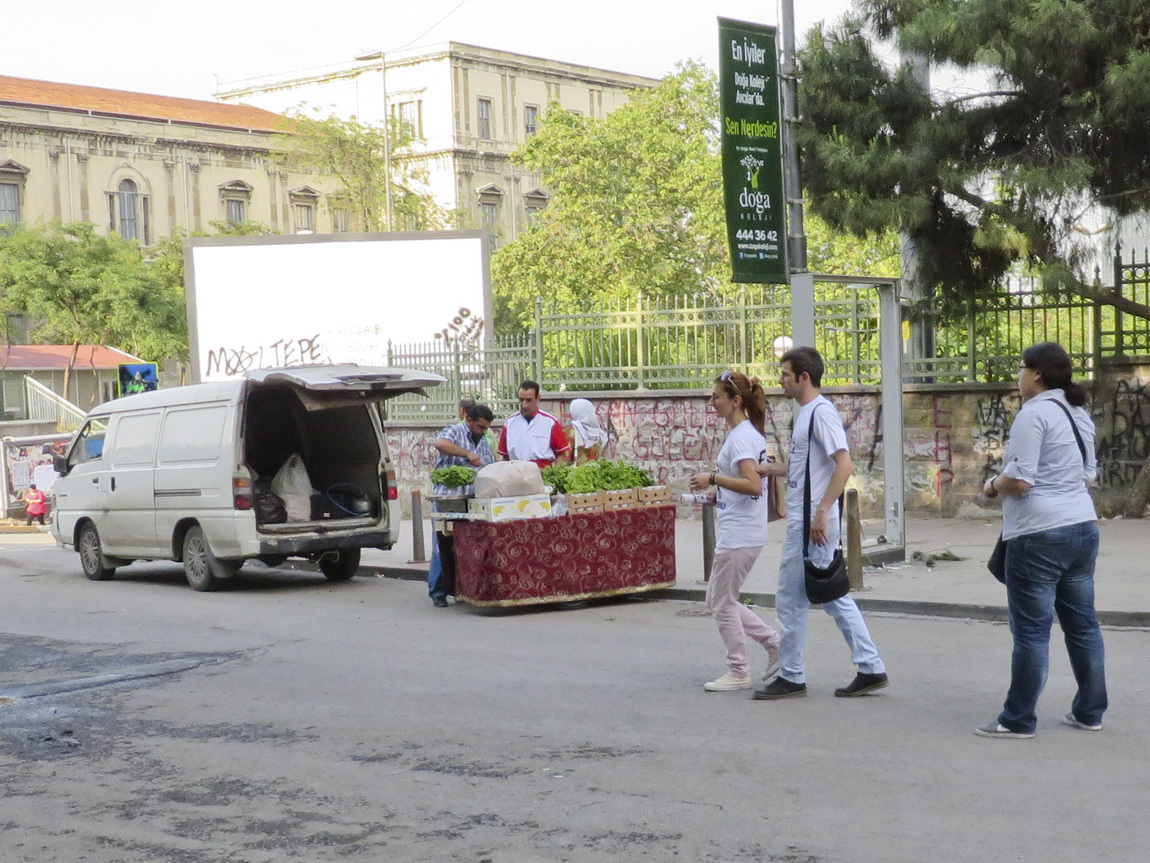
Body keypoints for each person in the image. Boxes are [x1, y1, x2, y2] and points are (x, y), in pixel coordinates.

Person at [975, 342, 1105, 738]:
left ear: (1036, 374)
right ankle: (1090, 712)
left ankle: (1017, 719)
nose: (1017, 376)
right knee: (1083, 626)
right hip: (1082, 527)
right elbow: (1088, 476)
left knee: (1031, 632)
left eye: (1020, 368)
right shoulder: (1078, 414)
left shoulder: (1034, 414)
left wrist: (991, 486)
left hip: (1038, 535)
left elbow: (1020, 479)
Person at [754, 346, 888, 700]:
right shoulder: (808, 415)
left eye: (785, 374)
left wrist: (822, 511)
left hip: (811, 523)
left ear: (804, 377)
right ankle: (870, 667)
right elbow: (807, 468)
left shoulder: (820, 414)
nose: (780, 381)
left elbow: (843, 466)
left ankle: (792, 676)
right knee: (831, 595)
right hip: (810, 520)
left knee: (791, 598)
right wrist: (770, 469)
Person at [689, 370, 782, 691]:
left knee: (721, 602)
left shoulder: (742, 437)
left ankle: (740, 670)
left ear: (735, 401)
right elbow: (747, 483)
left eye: (716, 397)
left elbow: (753, 484)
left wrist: (713, 479)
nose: (712, 402)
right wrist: (720, 493)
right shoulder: (748, 434)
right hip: (743, 530)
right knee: (720, 599)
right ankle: (773, 643)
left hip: (740, 534)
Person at [428, 404, 496, 607]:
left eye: (486, 428)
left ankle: (460, 589)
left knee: (463, 547)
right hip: (447, 499)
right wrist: (466, 454)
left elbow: (489, 466)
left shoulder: (484, 441)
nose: (483, 431)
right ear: (469, 421)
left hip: (471, 500)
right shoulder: (454, 430)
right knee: (441, 546)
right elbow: (440, 444)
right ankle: (437, 591)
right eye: (480, 427)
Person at [497, 379, 570, 468]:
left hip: (541, 473)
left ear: (537, 399)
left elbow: (561, 453)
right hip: (515, 473)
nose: (524, 405)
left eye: (528, 400)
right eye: (521, 400)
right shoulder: (509, 423)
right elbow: (505, 456)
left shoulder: (550, 422)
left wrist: (555, 474)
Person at [568, 398, 608, 465]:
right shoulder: (599, 434)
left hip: (575, 473)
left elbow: (565, 457)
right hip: (593, 472)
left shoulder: (571, 432)